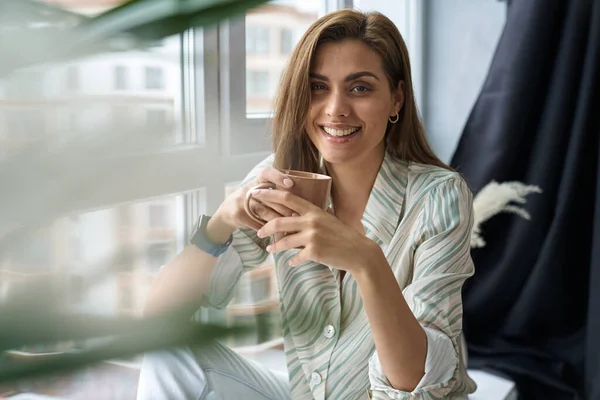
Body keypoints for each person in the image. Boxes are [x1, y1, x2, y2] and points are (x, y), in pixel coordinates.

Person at [137, 8, 477, 400]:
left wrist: (367, 262)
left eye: (360, 88)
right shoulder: (284, 181)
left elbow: (414, 382)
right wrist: (223, 221)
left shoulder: (439, 196)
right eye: (318, 87)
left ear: (396, 98)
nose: (335, 109)